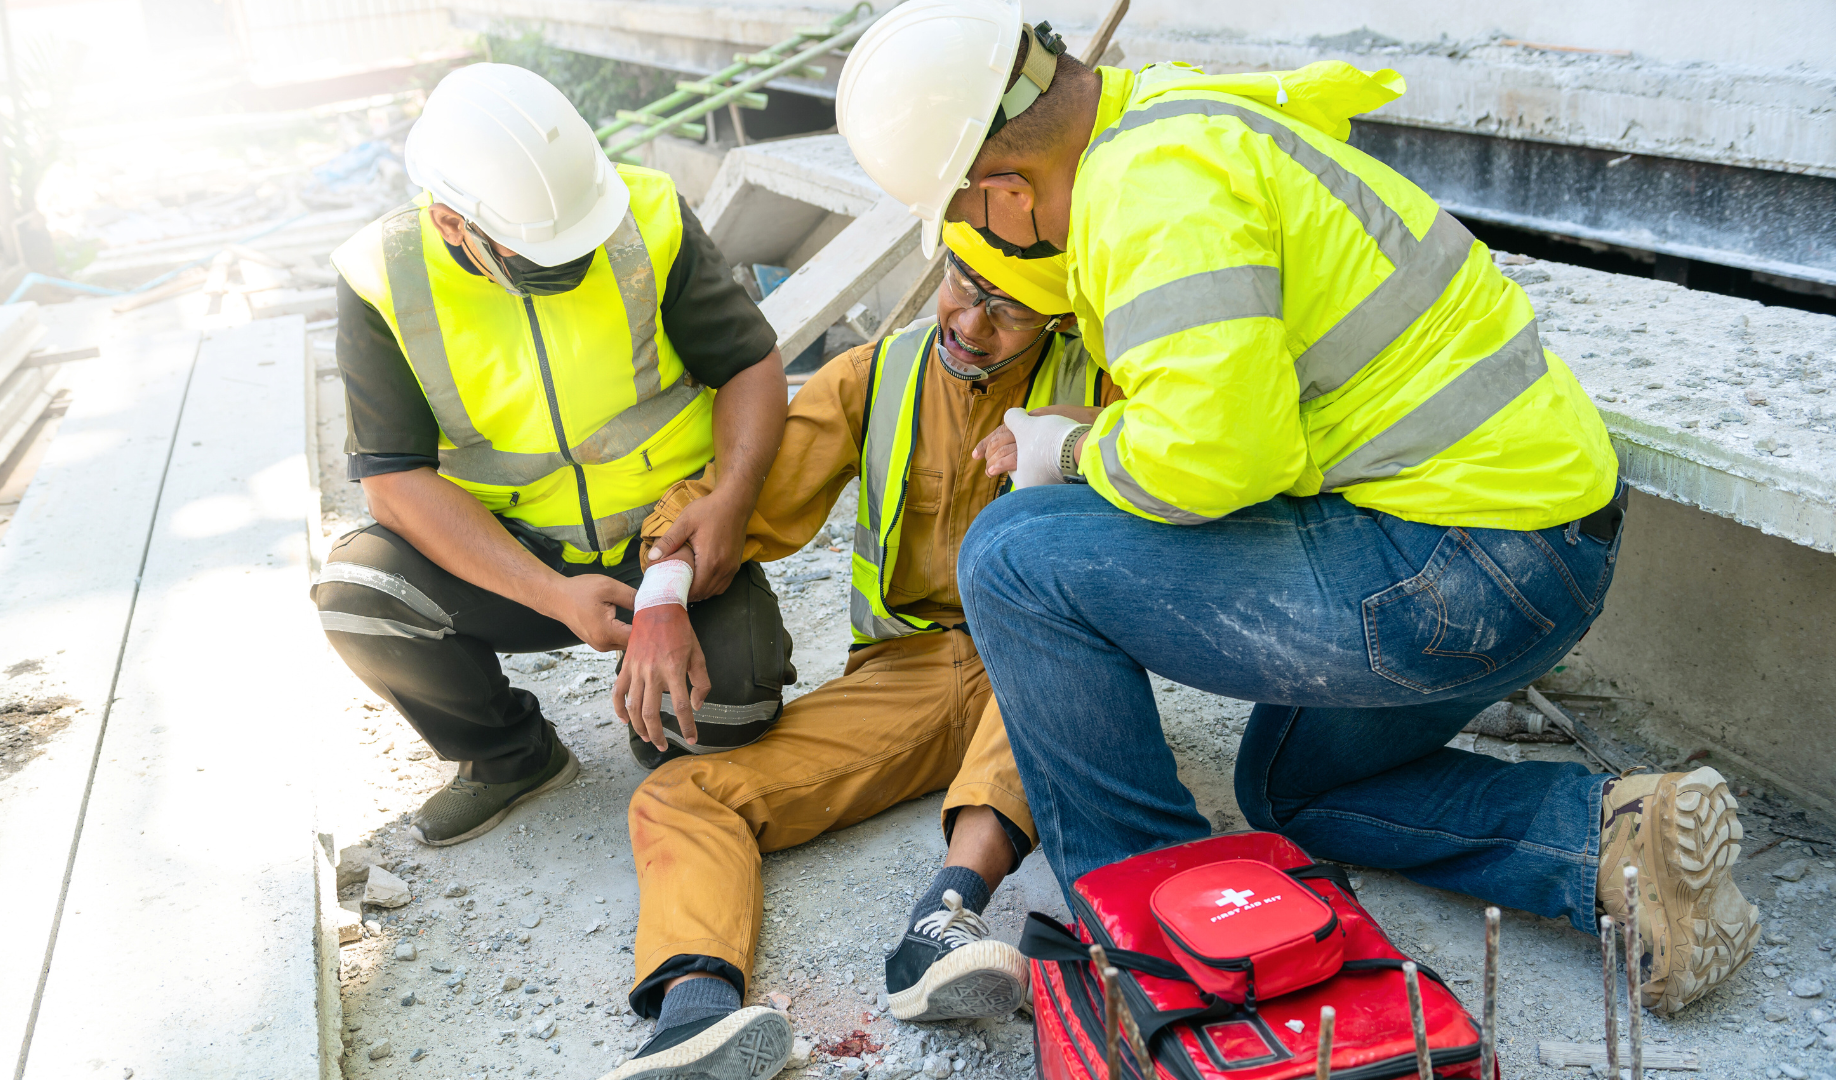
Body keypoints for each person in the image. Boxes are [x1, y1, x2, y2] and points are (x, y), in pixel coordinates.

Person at [836, 0, 1758, 1019]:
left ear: (1002, 191)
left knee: (1014, 554)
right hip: (1537, 552)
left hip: (1458, 562)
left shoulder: (1152, 192)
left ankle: (1156, 911)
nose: (987, 242)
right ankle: (1614, 846)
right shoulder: (1169, 118)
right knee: (1289, 790)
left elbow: (1222, 458)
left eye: (968, 220)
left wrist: (1073, 446)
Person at [597, 224, 1123, 1080]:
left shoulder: (1100, 380)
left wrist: (1079, 436)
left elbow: (1198, 454)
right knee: (682, 795)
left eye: (1009, 308)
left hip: (1043, 651)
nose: (970, 319)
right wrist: (660, 594)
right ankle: (695, 1010)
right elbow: (738, 506)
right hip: (905, 679)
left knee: (1057, 653)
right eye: (962, 281)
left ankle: (941, 921)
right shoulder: (874, 378)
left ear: (1058, 315)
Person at [316, 63, 792, 847]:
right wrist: (551, 594)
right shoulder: (381, 278)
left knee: (722, 721)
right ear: (449, 222)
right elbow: (396, 483)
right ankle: (509, 757)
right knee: (359, 590)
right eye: (545, 259)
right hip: (512, 559)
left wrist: (730, 500)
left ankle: (659, 706)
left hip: (667, 541)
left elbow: (750, 364)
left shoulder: (646, 214)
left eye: (583, 244)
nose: (573, 267)